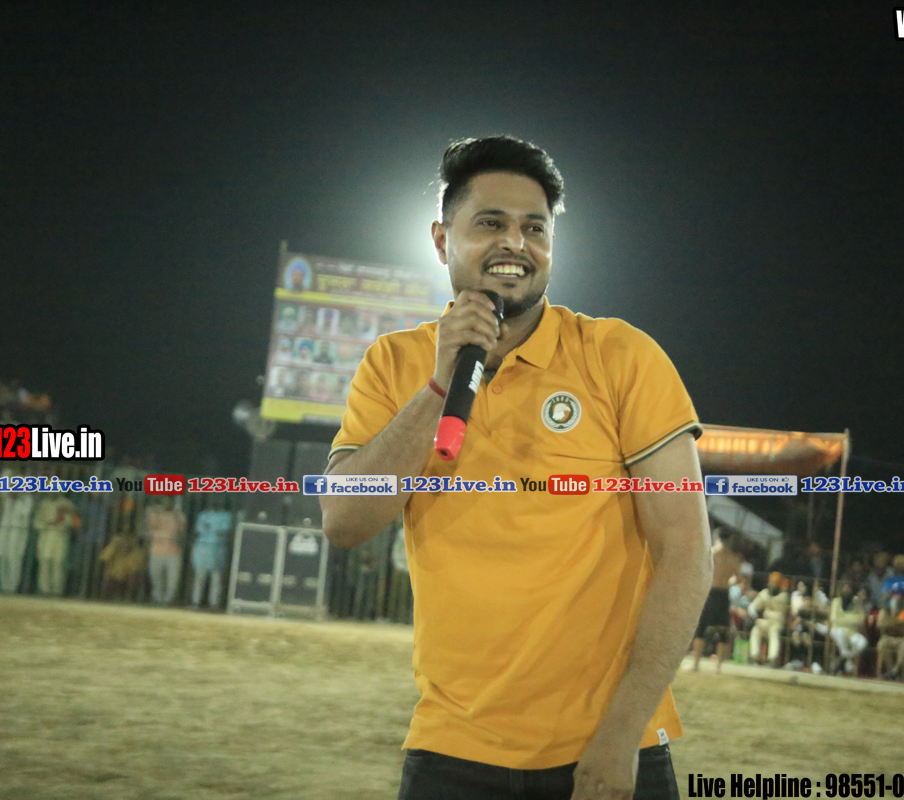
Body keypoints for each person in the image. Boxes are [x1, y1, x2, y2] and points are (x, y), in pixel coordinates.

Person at [320, 136, 712, 799]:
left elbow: (685, 552)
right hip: (452, 748)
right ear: (442, 240)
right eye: (491, 223)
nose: (515, 243)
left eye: (535, 228)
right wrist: (439, 385)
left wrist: (621, 735)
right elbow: (344, 521)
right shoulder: (393, 363)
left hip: (608, 747)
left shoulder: (621, 356)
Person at [685, 529, 749, 673]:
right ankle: (718, 666)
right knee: (722, 629)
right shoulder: (734, 557)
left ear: (717, 538)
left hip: (710, 592)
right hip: (723, 593)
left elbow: (699, 571)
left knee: (701, 627)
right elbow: (739, 579)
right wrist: (728, 581)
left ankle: (695, 663)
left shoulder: (711, 553)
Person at [33, 493, 80, 596]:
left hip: (60, 536)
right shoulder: (43, 503)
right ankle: (43, 590)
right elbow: (36, 522)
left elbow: (71, 522)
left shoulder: (67, 504)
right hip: (45, 536)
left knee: (58, 563)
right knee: (44, 562)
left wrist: (61, 520)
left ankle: (57, 591)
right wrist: (47, 524)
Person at [190, 503, 232, 608]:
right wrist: (214, 529)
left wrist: (210, 528)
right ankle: (196, 601)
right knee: (200, 576)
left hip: (217, 548)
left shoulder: (226, 515)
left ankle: (214, 603)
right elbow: (199, 529)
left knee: (216, 577)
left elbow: (224, 531)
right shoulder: (203, 514)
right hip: (203, 548)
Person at [146, 498, 186, 604]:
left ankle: (169, 600)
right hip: (156, 550)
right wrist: (155, 513)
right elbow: (150, 527)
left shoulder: (178, 515)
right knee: (155, 577)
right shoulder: (155, 514)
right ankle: (157, 599)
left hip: (173, 551)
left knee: (173, 579)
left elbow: (182, 532)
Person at [0, 492, 35, 593]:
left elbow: (25, 513)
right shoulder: (6, 497)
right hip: (4, 529)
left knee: (14, 559)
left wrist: (16, 501)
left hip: (18, 531)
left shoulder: (27, 499)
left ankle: (12, 587)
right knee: (2, 559)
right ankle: (3, 586)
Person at [748, 572, 790, 667]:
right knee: (755, 631)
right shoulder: (764, 594)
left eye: (775, 583)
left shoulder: (784, 596)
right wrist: (754, 614)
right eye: (772, 583)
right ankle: (754, 656)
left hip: (776, 623)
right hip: (764, 621)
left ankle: (772, 658)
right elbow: (753, 606)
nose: (773, 586)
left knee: (773, 633)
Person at [876, 589, 904, 680]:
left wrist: (891, 624)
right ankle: (891, 671)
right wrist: (899, 623)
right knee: (882, 644)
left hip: (902, 638)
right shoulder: (886, 609)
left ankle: (895, 671)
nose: (898, 598)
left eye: (901, 595)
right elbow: (881, 625)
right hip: (888, 636)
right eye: (896, 595)